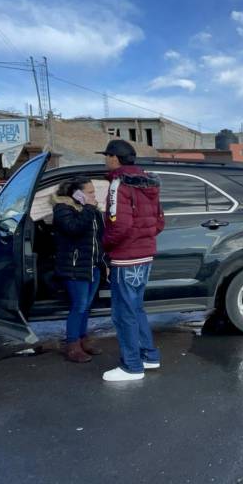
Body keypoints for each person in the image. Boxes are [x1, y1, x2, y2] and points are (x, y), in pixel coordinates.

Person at [98, 139, 165, 382]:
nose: (105, 160)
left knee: (123, 313)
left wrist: (105, 245)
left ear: (115, 158)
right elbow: (159, 222)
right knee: (135, 308)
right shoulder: (149, 183)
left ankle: (132, 366)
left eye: (107, 156)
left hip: (126, 257)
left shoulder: (118, 184)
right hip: (145, 255)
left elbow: (119, 225)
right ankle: (149, 356)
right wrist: (143, 239)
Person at [51, 176, 104, 363]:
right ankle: (72, 344)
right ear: (76, 193)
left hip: (92, 265)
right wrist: (89, 207)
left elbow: (99, 236)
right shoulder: (63, 209)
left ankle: (83, 339)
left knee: (86, 306)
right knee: (78, 305)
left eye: (93, 191)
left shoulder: (92, 210)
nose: (93, 195)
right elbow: (74, 229)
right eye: (89, 192)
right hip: (74, 267)